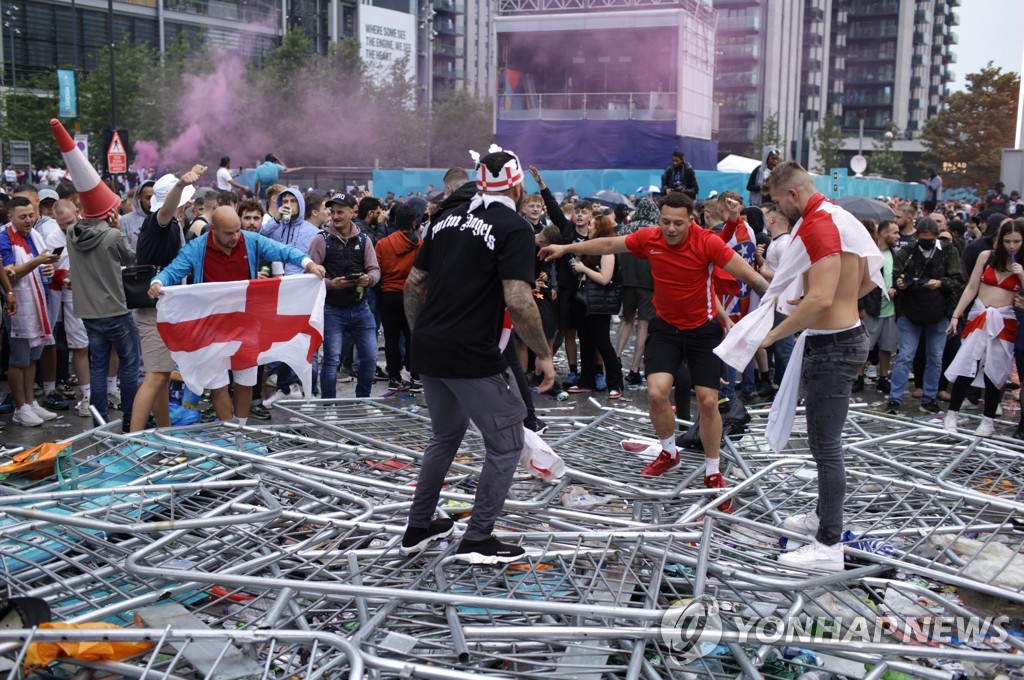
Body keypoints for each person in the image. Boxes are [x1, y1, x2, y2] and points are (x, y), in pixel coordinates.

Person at [540, 191, 769, 507]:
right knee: (657, 393)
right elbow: (608, 244)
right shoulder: (651, 238)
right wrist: (566, 247)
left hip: (702, 331)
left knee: (707, 401)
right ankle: (669, 452)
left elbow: (749, 276)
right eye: (665, 222)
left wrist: (779, 304)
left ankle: (713, 471)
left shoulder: (707, 242)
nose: (671, 229)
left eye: (678, 223)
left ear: (691, 220)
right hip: (666, 329)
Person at [718, 161, 883, 571]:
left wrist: (773, 335)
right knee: (822, 445)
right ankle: (822, 519)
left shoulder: (816, 224)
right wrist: (820, 299)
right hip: (842, 339)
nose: (774, 212)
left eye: (775, 202)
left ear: (793, 194)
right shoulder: (837, 217)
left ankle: (828, 544)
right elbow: (864, 279)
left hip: (834, 346)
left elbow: (822, 299)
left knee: (826, 448)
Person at [401, 147, 555, 564]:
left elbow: (413, 286)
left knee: (445, 436)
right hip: (471, 351)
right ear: (518, 184)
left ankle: (418, 527)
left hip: (430, 346)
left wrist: (424, 338)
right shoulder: (514, 226)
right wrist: (544, 354)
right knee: (506, 444)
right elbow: (520, 301)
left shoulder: (443, 221)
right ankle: (477, 538)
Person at [148, 206, 325, 423]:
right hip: (212, 328)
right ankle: (230, 431)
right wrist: (157, 283)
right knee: (218, 386)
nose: (235, 237)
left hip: (245, 325)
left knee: (246, 381)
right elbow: (173, 270)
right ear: (213, 230)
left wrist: (309, 264)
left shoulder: (250, 240)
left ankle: (239, 429)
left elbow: (284, 251)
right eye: (229, 233)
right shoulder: (197, 248)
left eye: (237, 231)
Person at [131, 166, 204, 432]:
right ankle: (134, 438)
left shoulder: (172, 224)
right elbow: (163, 211)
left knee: (160, 375)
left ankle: (164, 430)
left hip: (162, 308)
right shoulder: (158, 223)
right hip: (153, 310)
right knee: (155, 377)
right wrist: (180, 185)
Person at [943, 218, 1024, 436]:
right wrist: (955, 315)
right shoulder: (986, 256)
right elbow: (971, 287)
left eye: (1017, 241)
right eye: (1007, 241)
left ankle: (988, 420)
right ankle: (952, 415)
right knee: (968, 363)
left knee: (995, 371)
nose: (1012, 246)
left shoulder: (1021, 265)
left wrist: (1022, 275)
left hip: (1005, 321)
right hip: (980, 315)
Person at [65, 202, 140, 429]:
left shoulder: (71, 233)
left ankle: (100, 422)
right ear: (108, 213)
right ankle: (130, 419)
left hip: (89, 313)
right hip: (116, 310)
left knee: (97, 366)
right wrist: (116, 226)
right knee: (129, 364)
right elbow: (130, 258)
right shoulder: (112, 235)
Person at [304, 192, 380, 401]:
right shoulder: (321, 239)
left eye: (340, 212)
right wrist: (331, 284)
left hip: (361, 308)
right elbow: (309, 276)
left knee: (370, 358)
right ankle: (329, 406)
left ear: (351, 212)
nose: (335, 216)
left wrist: (368, 279)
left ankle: (362, 400)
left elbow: (375, 270)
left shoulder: (364, 239)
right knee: (331, 361)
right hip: (332, 310)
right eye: (332, 212)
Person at [886, 217, 965, 415]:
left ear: (937, 236)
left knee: (936, 357)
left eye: (929, 239)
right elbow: (896, 276)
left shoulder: (949, 251)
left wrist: (940, 283)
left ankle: (929, 398)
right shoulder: (908, 251)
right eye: (922, 239)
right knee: (905, 356)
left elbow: (958, 280)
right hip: (911, 310)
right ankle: (895, 400)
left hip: (939, 311)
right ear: (917, 236)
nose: (926, 242)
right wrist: (900, 283)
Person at [1, 196, 59, 426]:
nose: (28, 220)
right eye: (22, 217)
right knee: (19, 359)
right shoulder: (4, 238)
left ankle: (30, 402)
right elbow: (10, 272)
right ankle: (20, 406)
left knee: (33, 355)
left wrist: (48, 267)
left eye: (30, 215)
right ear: (10, 217)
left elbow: (39, 262)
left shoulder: (34, 236)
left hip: (39, 301)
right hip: (19, 305)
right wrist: (37, 262)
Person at [566, 213, 624, 398]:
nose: (588, 227)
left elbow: (605, 278)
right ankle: (586, 381)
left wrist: (584, 268)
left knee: (602, 343)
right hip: (583, 301)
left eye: (592, 224)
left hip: (598, 304)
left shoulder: (607, 250)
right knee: (585, 342)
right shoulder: (588, 248)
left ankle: (615, 382)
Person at [47, 199, 92, 416]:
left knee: (107, 345)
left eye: (69, 221)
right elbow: (47, 269)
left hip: (98, 294)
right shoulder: (52, 238)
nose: (65, 227)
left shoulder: (92, 229)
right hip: (71, 297)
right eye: (61, 224)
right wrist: (63, 277)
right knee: (80, 346)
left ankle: (109, 389)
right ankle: (87, 395)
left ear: (78, 212)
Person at [375, 203, 421, 391]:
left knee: (391, 338)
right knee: (413, 337)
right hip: (413, 296)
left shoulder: (383, 244)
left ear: (393, 220)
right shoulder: (420, 244)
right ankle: (415, 376)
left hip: (388, 296)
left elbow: (377, 272)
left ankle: (394, 377)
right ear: (413, 222)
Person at [616, 198, 659, 386]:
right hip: (649, 284)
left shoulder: (624, 229)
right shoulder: (656, 232)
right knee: (643, 326)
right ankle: (634, 369)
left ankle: (616, 359)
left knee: (626, 320)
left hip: (627, 282)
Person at [753, 203, 796, 388]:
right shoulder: (777, 242)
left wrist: (764, 272)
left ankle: (790, 394)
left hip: (782, 303)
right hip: (774, 303)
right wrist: (762, 260)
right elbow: (775, 268)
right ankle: (781, 391)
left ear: (772, 219)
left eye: (765, 216)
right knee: (778, 349)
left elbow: (791, 274)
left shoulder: (784, 243)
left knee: (783, 350)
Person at [855, 219, 899, 395]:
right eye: (894, 232)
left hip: (891, 309)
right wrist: (861, 306)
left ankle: (883, 377)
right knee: (866, 346)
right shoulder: (868, 254)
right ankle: (859, 377)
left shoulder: (896, 255)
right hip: (871, 308)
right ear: (883, 234)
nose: (898, 236)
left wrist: (897, 287)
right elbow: (859, 281)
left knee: (887, 347)